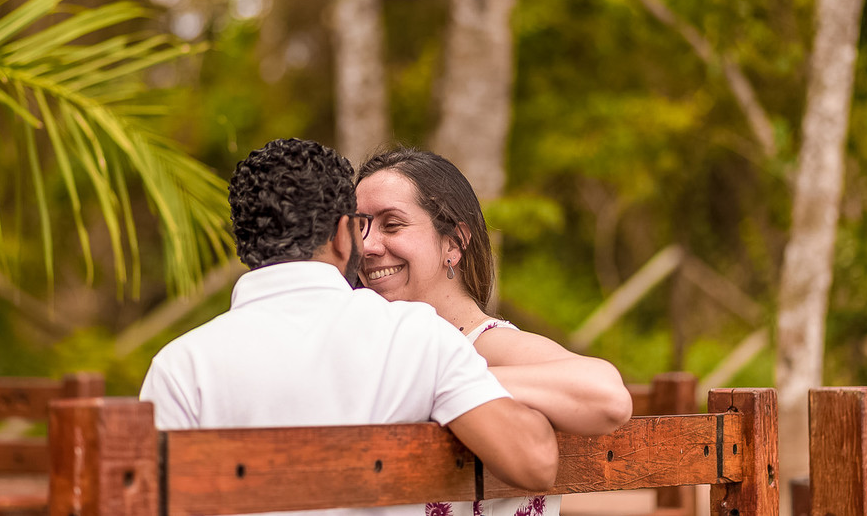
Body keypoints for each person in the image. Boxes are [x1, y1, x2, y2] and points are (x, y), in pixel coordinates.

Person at [140, 138, 559, 516]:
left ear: (245, 243)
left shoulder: (180, 365)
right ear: (345, 235)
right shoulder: (411, 335)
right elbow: (535, 462)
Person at [355, 147, 634, 516]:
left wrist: (441, 381)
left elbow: (608, 397)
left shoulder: (485, 343)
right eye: (359, 227)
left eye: (392, 225)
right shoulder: (365, 347)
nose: (368, 246)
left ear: (453, 243)